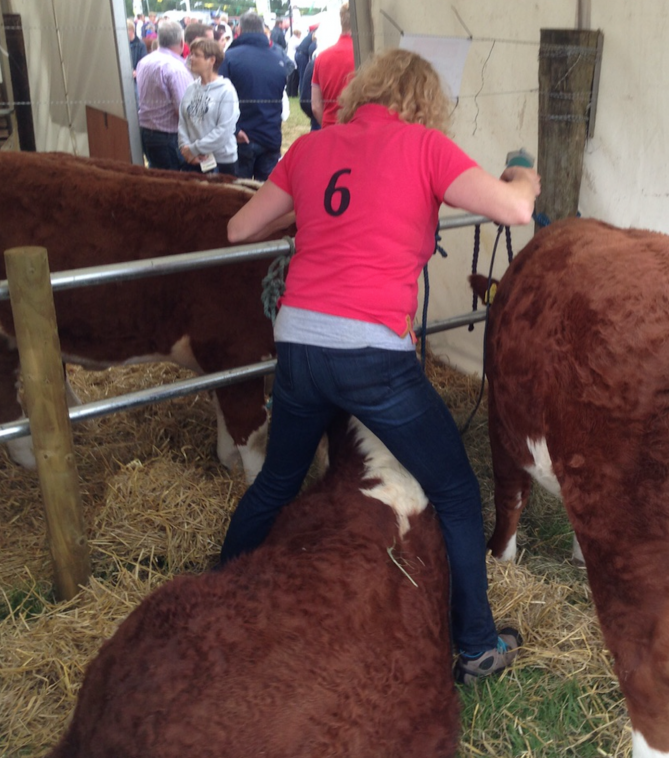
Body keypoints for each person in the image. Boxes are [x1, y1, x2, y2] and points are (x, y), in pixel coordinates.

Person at [220, 49, 541, 684]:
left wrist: (308, 209)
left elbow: (238, 229)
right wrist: (521, 173)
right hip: (371, 353)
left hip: (299, 344)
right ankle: (476, 646)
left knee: (278, 483)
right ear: (425, 102)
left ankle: (214, 595)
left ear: (363, 91)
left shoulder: (312, 148)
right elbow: (515, 211)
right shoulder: (424, 147)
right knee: (454, 489)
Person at [219, 12, 291, 180]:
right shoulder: (278, 58)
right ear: (262, 30)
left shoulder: (229, 58)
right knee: (266, 195)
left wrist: (234, 129)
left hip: (242, 136)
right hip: (269, 134)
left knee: (238, 194)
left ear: (239, 29)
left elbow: (220, 100)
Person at [135, 20, 192, 170]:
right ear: (181, 42)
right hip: (167, 137)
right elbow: (184, 110)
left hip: (147, 132)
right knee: (172, 185)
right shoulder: (176, 68)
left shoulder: (144, 62)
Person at [178, 38, 239, 176]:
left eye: (196, 55)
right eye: (191, 54)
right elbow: (183, 122)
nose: (191, 58)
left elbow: (224, 131)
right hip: (193, 161)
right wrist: (186, 150)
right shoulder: (191, 88)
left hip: (221, 162)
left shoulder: (226, 91)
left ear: (211, 60)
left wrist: (193, 149)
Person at [310, 3, 354, 129]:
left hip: (330, 128)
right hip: (359, 130)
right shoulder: (366, 56)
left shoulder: (322, 58)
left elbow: (316, 107)